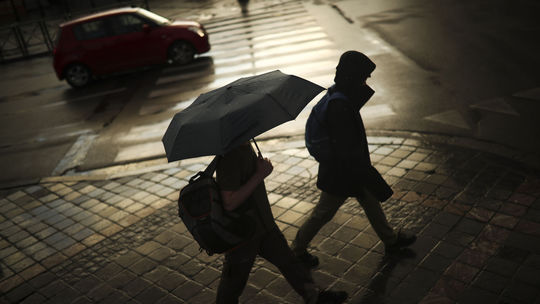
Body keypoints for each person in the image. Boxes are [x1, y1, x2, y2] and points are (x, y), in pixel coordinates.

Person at [291, 51, 417, 267]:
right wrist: (364, 171)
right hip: (342, 172)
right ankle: (296, 250)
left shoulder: (338, 95)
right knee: (323, 213)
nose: (366, 81)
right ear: (354, 76)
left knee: (370, 202)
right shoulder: (340, 104)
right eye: (364, 77)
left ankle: (391, 240)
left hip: (347, 169)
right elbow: (346, 146)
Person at [215, 141, 347, 304]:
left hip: (264, 225)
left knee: (289, 261)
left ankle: (314, 296)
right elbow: (229, 202)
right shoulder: (229, 156)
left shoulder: (245, 145)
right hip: (244, 233)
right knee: (233, 282)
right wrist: (259, 175)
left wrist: (259, 169)